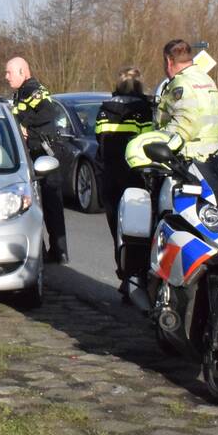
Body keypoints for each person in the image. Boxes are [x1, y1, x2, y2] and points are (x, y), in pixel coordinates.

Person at [95, 68, 154, 295]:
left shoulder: (104, 110)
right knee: (139, 231)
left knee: (117, 230)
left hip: (110, 176)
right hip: (135, 177)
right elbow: (147, 142)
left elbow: (99, 139)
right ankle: (137, 276)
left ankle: (123, 273)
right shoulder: (142, 110)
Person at [5, 56, 68, 265]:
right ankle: (44, 251)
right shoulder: (20, 93)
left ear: (23, 71)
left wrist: (25, 126)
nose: (6, 77)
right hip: (33, 152)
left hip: (44, 152)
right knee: (37, 204)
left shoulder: (34, 90)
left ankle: (59, 251)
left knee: (50, 203)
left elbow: (48, 112)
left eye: (9, 73)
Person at [153, 39, 218, 161]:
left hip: (186, 159)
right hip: (212, 158)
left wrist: (156, 142)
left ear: (168, 61)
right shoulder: (207, 80)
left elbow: (185, 127)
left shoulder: (180, 83)